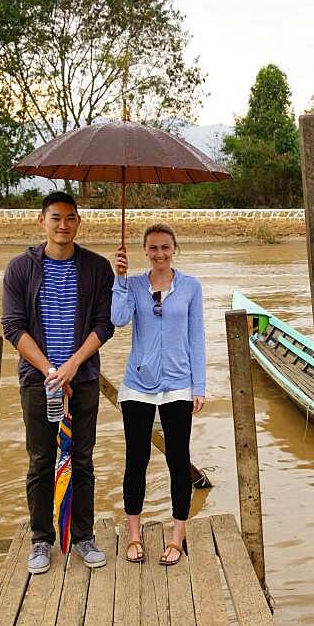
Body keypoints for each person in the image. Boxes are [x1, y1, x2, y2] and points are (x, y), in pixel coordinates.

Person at [1, 191, 115, 574]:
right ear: (41, 221)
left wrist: (71, 367)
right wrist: (51, 370)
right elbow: (13, 326)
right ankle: (41, 539)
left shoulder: (98, 268)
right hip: (38, 381)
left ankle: (83, 536)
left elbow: (105, 324)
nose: (63, 225)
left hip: (82, 381)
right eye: (55, 218)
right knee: (41, 460)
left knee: (82, 459)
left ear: (78, 222)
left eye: (70, 218)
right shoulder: (21, 269)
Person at [111, 223, 205, 567]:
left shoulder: (191, 287)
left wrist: (200, 386)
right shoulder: (133, 284)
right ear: (145, 251)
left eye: (165, 247)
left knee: (178, 461)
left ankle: (177, 535)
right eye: (153, 248)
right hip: (138, 386)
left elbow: (197, 338)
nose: (160, 254)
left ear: (175, 248)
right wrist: (119, 279)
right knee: (136, 460)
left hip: (179, 385)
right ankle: (133, 534)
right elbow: (118, 319)